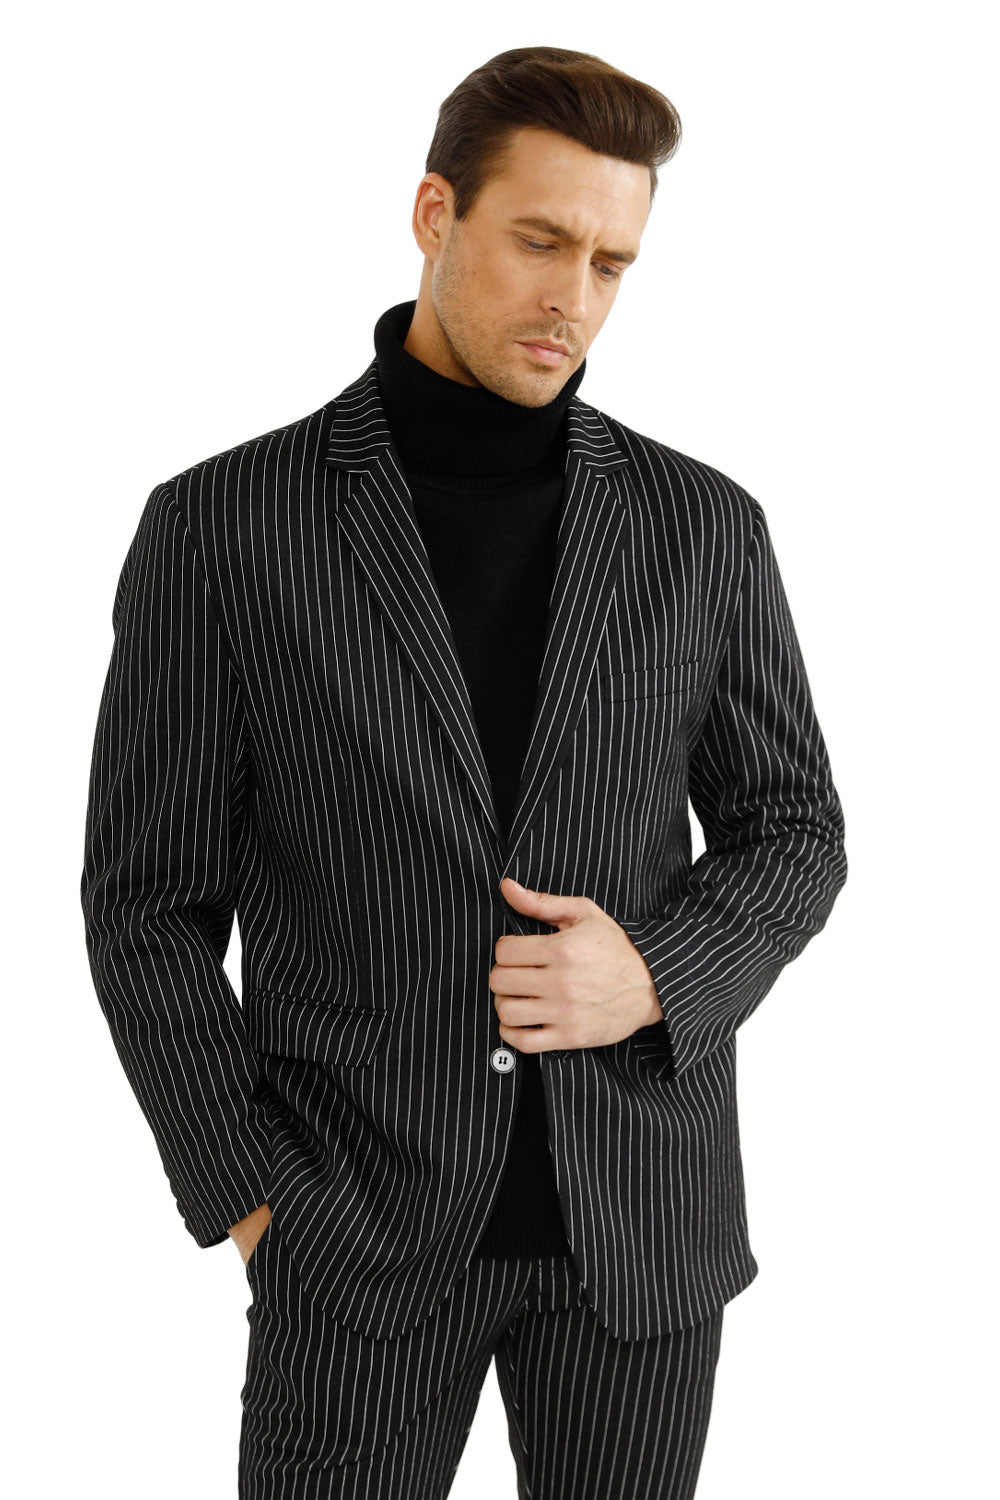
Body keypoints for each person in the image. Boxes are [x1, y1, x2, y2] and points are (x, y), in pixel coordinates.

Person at [80, 44, 847, 1500]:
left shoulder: (701, 528)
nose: (576, 300)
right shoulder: (223, 530)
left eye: (612, 264)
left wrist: (657, 975)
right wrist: (248, 1195)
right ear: (435, 213)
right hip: (348, 1237)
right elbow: (147, 907)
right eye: (541, 241)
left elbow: (794, 828)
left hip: (640, 1236)